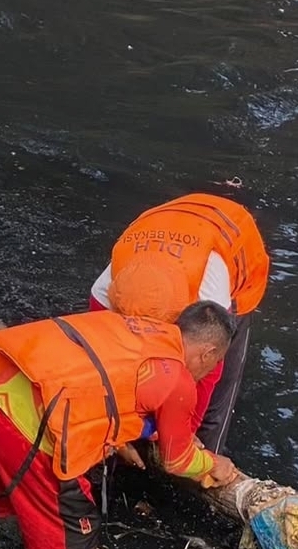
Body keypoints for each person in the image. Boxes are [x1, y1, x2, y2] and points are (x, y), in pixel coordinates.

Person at [0, 302, 240, 549]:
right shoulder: (178, 382)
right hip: (25, 436)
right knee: (76, 535)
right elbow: (177, 461)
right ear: (208, 353)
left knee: (41, 512)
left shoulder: (140, 327)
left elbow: (105, 384)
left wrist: (146, 432)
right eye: (216, 362)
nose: (211, 370)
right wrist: (213, 464)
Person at [89, 193, 270, 454]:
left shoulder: (207, 297)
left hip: (234, 240)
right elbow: (103, 362)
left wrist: (183, 435)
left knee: (216, 392)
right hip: (162, 226)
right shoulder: (105, 291)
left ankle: (208, 455)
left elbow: (208, 372)